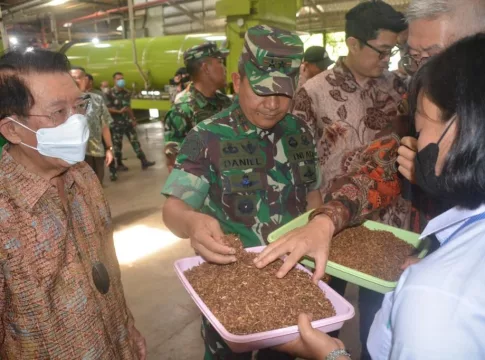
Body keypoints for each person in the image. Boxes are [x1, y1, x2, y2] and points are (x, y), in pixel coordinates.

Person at [282, 32, 485, 360]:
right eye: (412, 56)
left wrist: (333, 356)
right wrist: (326, 219)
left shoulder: (435, 297)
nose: (416, 135)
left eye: (424, 121)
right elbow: (375, 174)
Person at [255, 2, 408, 359]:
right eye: (383, 50)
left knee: (381, 321)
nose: (388, 58)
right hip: (329, 227)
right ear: (353, 43)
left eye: (394, 50)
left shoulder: (399, 88)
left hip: (387, 228)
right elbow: (298, 162)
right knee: (323, 316)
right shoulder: (314, 92)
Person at [162, 25, 322, 360]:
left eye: (284, 93)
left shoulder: (300, 131)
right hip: (235, 288)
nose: (273, 104)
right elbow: (173, 210)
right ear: (237, 82)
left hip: (294, 280)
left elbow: (312, 195)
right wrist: (193, 223)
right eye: (261, 91)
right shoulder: (207, 137)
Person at [0, 49, 146, 359]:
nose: (77, 122)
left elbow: (108, 266)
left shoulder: (83, 176)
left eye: (78, 106)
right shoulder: (5, 211)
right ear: (12, 129)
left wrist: (127, 326)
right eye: (58, 113)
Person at [397, 0, 485, 233]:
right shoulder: (422, 90)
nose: (420, 68)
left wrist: (451, 178)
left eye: (434, 55)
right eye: (414, 55)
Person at [163, 42, 232, 170]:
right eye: (220, 62)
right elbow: (175, 165)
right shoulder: (182, 112)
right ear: (206, 68)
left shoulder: (226, 103)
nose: (225, 68)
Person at [70, 67, 115, 183]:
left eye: (78, 78)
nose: (75, 81)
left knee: (97, 188)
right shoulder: (62, 101)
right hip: (73, 156)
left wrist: (109, 148)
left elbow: (104, 126)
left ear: (85, 79)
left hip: (96, 153)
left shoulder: (96, 99)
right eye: (71, 78)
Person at [106, 71, 155, 172]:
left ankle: (144, 161)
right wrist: (118, 111)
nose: (121, 81)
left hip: (127, 122)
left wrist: (133, 119)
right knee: (117, 145)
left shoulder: (126, 92)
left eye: (122, 79)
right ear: (114, 80)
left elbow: (128, 107)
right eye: (119, 79)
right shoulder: (109, 93)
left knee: (135, 142)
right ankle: (119, 164)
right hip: (116, 124)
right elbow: (107, 108)